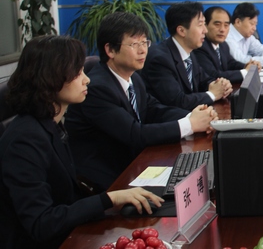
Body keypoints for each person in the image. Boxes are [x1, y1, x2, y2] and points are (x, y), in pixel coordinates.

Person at [0, 36, 162, 249]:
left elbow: (67, 197)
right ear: (51, 77)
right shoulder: (24, 140)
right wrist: (109, 200)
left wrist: (114, 200)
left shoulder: (50, 124)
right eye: (77, 73)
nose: (87, 80)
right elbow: (41, 223)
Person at [65, 12, 218, 192]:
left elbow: (154, 109)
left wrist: (195, 116)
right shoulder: (98, 88)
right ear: (110, 50)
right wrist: (190, 124)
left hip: (133, 164)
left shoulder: (134, 78)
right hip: (108, 180)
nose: (143, 50)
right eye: (134, 44)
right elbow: (134, 134)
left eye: (145, 42)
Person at [141, 1, 233, 109]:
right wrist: (213, 94)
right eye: (200, 25)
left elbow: (204, 80)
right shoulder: (160, 60)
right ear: (181, 31)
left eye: (204, 24)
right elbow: (177, 101)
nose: (205, 30)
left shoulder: (189, 52)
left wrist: (220, 85)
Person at [194, 6, 259, 84]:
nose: (222, 29)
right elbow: (213, 76)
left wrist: (247, 66)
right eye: (217, 24)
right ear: (205, 25)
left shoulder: (223, 45)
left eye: (226, 25)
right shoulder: (200, 47)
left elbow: (231, 63)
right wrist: (245, 72)